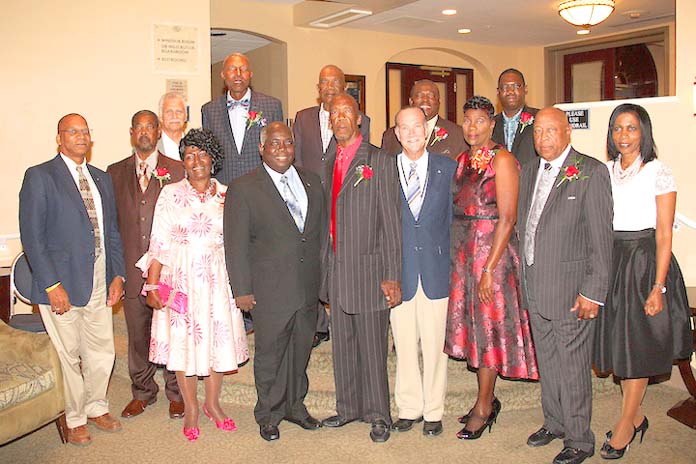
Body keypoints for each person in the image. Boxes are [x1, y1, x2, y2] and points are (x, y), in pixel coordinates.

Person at [19, 113, 126, 446]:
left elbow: (111, 232)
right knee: (69, 353)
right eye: (73, 131)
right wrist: (51, 285)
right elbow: (32, 237)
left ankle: (96, 407)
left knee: (102, 350)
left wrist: (118, 274)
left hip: (99, 276)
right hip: (60, 284)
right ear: (59, 138)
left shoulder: (101, 178)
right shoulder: (40, 176)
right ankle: (75, 416)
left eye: (85, 132)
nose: (81, 137)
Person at [593, 103, 692, 460]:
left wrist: (658, 286)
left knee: (635, 347)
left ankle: (625, 426)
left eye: (632, 128)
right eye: (618, 128)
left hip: (645, 264)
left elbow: (665, 234)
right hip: (614, 262)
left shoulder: (658, 172)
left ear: (644, 132)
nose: (624, 135)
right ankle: (636, 416)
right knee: (621, 346)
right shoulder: (603, 171)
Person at [136, 129, 249, 442]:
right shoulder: (170, 194)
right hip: (182, 278)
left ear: (213, 159)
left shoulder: (229, 194)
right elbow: (158, 240)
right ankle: (191, 409)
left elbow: (240, 242)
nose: (196, 161)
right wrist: (153, 285)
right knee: (185, 346)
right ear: (182, 163)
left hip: (218, 281)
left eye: (202, 154)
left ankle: (213, 404)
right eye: (189, 156)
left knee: (215, 344)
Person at [518, 107, 613, 464]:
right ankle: (554, 422)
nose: (543, 138)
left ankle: (579, 439)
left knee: (573, 367)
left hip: (573, 292)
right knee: (549, 362)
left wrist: (593, 292)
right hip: (536, 287)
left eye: (550, 131)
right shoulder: (529, 172)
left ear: (567, 133)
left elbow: (601, 241)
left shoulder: (590, 172)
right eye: (538, 132)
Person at [225, 122, 327, 442]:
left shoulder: (311, 182)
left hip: (306, 287)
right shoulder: (244, 188)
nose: (282, 149)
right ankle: (268, 413)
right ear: (262, 148)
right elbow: (235, 243)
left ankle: (295, 406)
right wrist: (242, 290)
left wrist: (322, 282)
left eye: (287, 143)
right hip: (268, 290)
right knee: (270, 355)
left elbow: (319, 234)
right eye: (275, 143)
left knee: (300, 352)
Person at [445, 96, 539, 440]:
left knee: (487, 332)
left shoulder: (503, 159)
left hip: (492, 259)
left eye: (480, 121)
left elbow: (509, 217)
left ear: (491, 124)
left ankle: (485, 406)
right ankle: (485, 397)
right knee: (473, 330)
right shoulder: (462, 160)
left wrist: (488, 269)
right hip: (465, 256)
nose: (472, 127)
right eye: (467, 120)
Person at [320, 93, 402, 443]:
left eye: (346, 112)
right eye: (334, 113)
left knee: (372, 348)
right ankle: (348, 407)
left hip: (371, 270)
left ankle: (378, 415)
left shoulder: (380, 160)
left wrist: (392, 276)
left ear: (359, 119)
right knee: (342, 346)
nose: (340, 118)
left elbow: (392, 222)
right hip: (337, 269)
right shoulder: (327, 161)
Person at [107, 110, 185, 420]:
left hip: (166, 272)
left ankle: (176, 393)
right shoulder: (113, 173)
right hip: (129, 268)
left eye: (149, 126)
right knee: (137, 335)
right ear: (131, 132)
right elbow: (111, 226)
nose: (144, 132)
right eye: (138, 127)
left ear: (157, 131)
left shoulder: (177, 170)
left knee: (170, 332)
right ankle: (142, 392)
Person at [389, 106, 456, 438]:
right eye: (406, 127)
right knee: (403, 344)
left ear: (427, 131)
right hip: (400, 274)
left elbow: (453, 222)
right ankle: (409, 407)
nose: (413, 132)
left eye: (418, 126)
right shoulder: (385, 170)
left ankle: (433, 410)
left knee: (434, 346)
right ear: (396, 133)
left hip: (436, 270)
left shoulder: (448, 168)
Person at [293, 64, 371, 347]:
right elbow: (296, 160)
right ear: (318, 88)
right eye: (323, 82)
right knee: (314, 262)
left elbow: (363, 160)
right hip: (312, 202)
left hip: (346, 202)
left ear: (344, 86)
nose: (328, 86)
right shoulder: (302, 118)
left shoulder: (363, 120)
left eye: (334, 81)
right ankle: (318, 325)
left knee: (342, 261)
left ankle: (346, 318)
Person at [202, 52, 283, 186]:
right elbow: (209, 154)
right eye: (232, 69)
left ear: (250, 74)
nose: (238, 73)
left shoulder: (272, 106)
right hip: (224, 185)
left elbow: (278, 149)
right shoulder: (209, 110)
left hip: (262, 185)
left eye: (243, 69)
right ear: (223, 74)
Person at [381, 79, 466, 159]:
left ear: (438, 101)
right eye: (419, 96)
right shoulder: (390, 136)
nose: (425, 100)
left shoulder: (458, 134)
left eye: (431, 96)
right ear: (411, 101)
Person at [491, 68, 539, 167]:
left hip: (531, 180)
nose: (510, 91)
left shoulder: (539, 119)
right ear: (498, 91)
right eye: (504, 87)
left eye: (516, 86)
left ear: (525, 89)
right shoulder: (490, 124)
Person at [157, 92, 188, 160]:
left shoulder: (196, 145)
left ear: (186, 116)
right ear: (160, 117)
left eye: (179, 111)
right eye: (169, 112)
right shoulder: (150, 147)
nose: (174, 116)